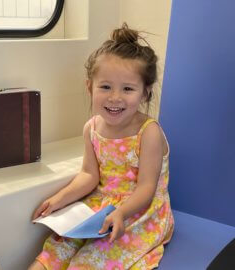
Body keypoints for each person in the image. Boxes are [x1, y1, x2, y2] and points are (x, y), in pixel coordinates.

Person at [28, 23, 174, 270]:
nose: (115, 97)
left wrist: (121, 212)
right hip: (100, 206)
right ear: (90, 87)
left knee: (91, 260)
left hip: (138, 212)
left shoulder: (148, 132)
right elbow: (89, 175)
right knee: (57, 248)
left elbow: (147, 188)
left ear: (145, 94)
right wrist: (59, 199)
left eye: (127, 89)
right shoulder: (92, 128)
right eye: (105, 87)